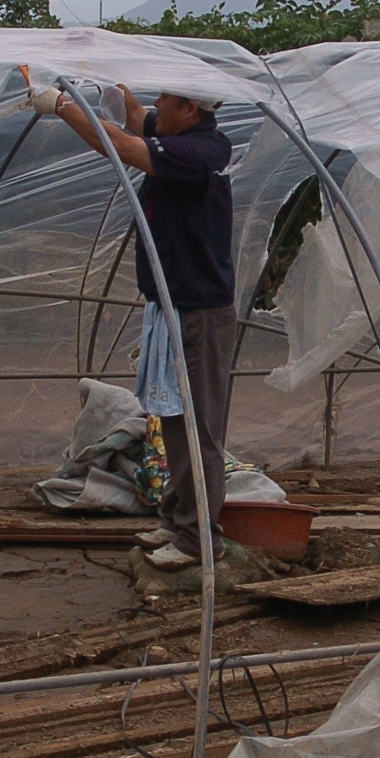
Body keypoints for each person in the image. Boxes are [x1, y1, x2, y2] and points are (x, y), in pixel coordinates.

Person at [29, 79, 234, 570]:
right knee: (170, 418)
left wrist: (61, 105)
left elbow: (118, 144)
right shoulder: (181, 135)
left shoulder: (198, 152)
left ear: (188, 107)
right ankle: (176, 516)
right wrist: (103, 85)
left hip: (196, 314)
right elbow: (133, 118)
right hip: (173, 308)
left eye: (166, 98)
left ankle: (199, 539)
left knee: (197, 426)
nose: (156, 104)